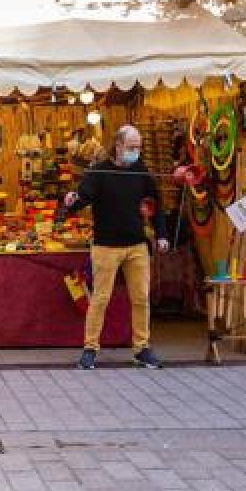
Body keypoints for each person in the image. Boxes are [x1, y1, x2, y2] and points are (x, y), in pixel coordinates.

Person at [63, 124, 170, 370]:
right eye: (132, 147)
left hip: (136, 246)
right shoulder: (99, 172)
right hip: (106, 246)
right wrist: (72, 202)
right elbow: (82, 197)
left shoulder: (141, 172)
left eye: (139, 148)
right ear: (119, 146)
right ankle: (90, 349)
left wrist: (162, 234)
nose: (137, 152)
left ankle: (141, 348)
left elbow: (155, 205)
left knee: (141, 298)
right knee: (100, 299)